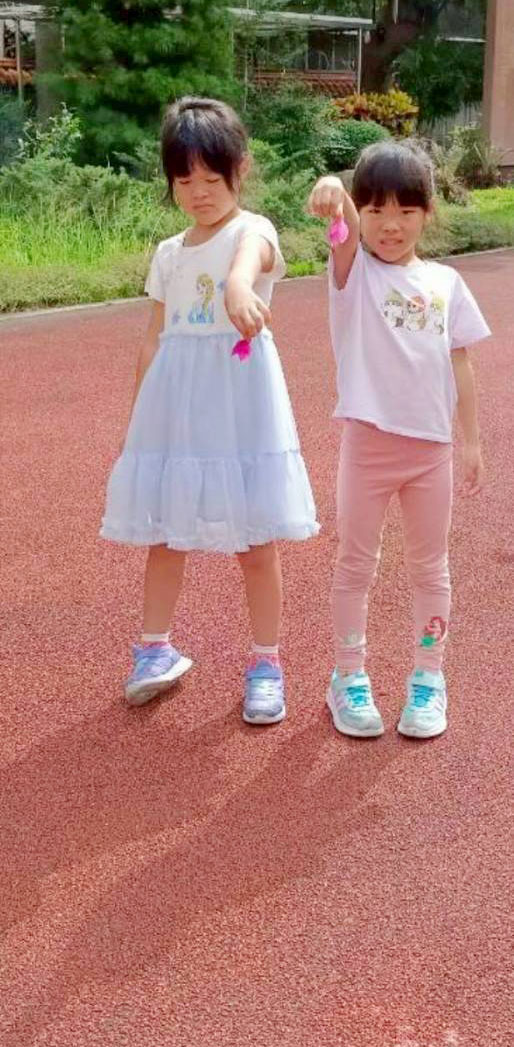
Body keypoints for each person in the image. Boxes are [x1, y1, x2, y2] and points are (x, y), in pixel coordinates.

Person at [101, 97, 319, 722]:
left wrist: (238, 286)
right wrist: (140, 418)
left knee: (256, 541)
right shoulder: (169, 253)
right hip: (177, 408)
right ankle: (154, 649)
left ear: (240, 170)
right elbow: (154, 338)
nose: (198, 192)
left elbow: (250, 262)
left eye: (211, 178)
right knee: (166, 533)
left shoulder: (253, 231)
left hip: (241, 408)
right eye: (183, 179)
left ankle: (266, 662)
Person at [308, 141, 490, 739]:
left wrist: (470, 441)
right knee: (355, 563)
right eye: (376, 210)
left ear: (427, 213)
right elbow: (339, 225)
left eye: (406, 211)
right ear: (361, 214)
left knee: (430, 567)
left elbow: (460, 363)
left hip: (431, 452)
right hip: (368, 448)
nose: (391, 224)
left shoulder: (446, 282)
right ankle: (348, 675)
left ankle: (429, 679)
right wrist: (334, 192)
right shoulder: (354, 274)